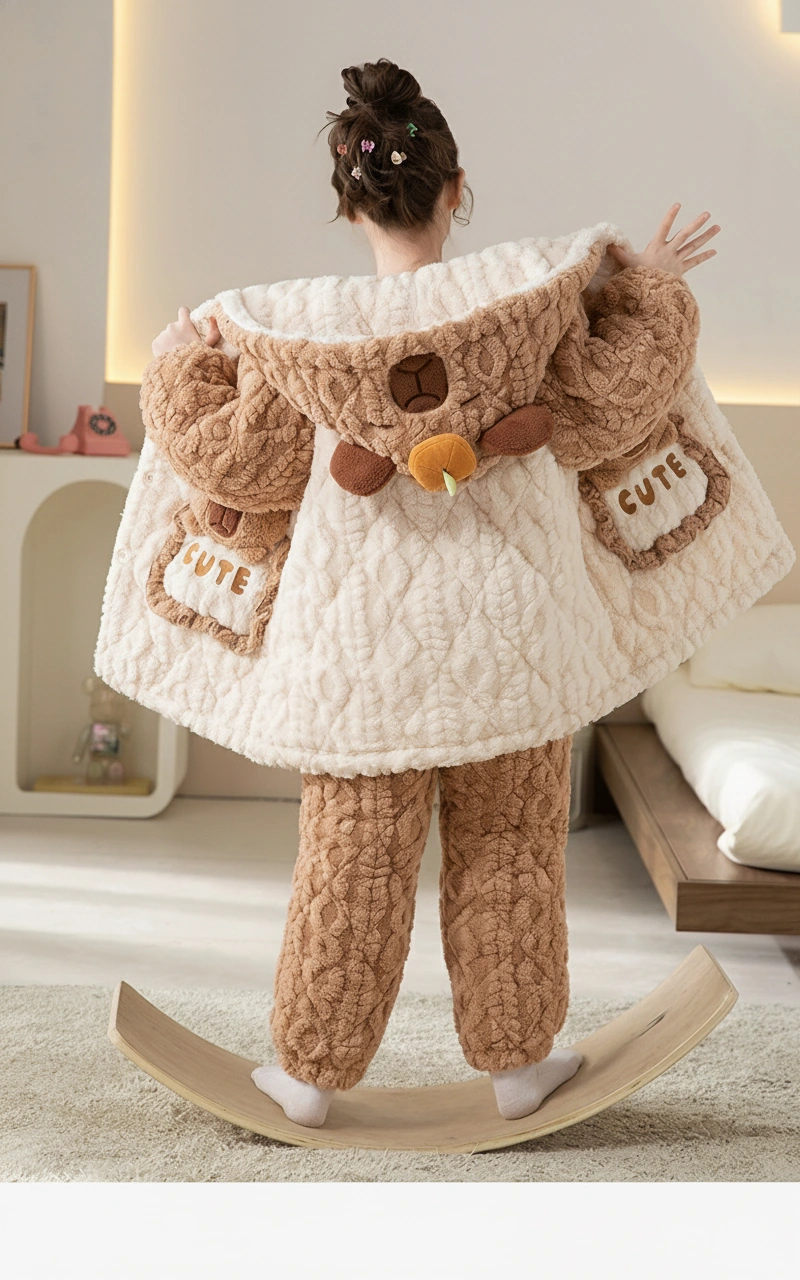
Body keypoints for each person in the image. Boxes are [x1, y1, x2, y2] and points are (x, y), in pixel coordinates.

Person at [144, 58, 722, 1129]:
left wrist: (181, 363)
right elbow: (615, 399)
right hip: (516, 637)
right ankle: (518, 1065)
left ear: (348, 204)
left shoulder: (299, 333)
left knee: (351, 856)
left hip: (357, 650)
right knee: (511, 846)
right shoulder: (534, 298)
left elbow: (237, 464)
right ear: (458, 189)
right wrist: (644, 283)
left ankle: (308, 1076)